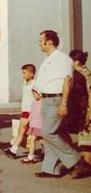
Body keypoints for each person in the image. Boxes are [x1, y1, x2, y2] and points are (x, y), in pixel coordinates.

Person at [33, 30, 91, 178]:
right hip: (46, 100)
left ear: (50, 42)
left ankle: (77, 161)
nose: (39, 43)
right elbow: (48, 80)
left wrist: (64, 103)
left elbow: (67, 81)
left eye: (41, 40)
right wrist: (38, 91)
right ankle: (50, 169)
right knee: (52, 134)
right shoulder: (48, 59)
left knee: (47, 132)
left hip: (56, 100)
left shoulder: (62, 58)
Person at [2, 64, 36, 159]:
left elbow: (36, 100)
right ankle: (13, 149)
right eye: (22, 73)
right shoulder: (25, 83)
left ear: (31, 74)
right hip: (25, 110)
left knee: (30, 133)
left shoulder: (35, 84)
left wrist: (31, 114)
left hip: (30, 111)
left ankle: (13, 150)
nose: (23, 75)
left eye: (24, 73)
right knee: (22, 131)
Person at [66, 51, 91, 177]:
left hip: (86, 110)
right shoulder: (82, 72)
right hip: (83, 110)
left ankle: (86, 165)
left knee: (86, 139)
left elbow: (87, 95)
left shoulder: (83, 75)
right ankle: (86, 164)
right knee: (84, 139)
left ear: (75, 61)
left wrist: (88, 114)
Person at [23, 88, 43, 164]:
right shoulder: (34, 102)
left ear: (40, 94)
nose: (33, 96)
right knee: (37, 140)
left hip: (39, 124)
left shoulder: (43, 102)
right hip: (34, 124)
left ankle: (31, 156)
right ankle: (31, 156)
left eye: (34, 94)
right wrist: (27, 121)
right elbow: (31, 113)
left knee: (38, 141)